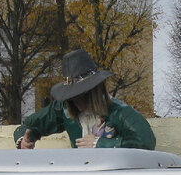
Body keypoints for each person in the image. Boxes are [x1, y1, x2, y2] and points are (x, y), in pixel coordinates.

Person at [14, 48, 156, 150]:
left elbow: (146, 141)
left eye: (82, 96)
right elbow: (29, 125)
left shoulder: (119, 112)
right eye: (72, 98)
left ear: (94, 91)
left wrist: (100, 144)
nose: (78, 105)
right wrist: (25, 139)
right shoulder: (64, 109)